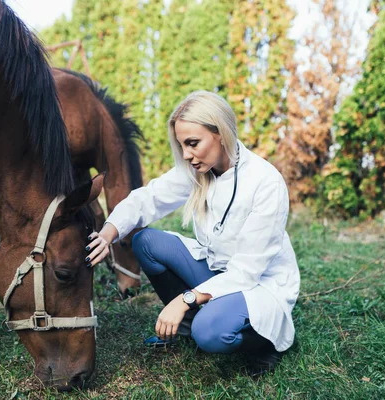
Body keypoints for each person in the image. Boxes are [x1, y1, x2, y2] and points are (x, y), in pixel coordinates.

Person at [85, 90, 300, 375]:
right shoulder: (198, 169)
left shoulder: (266, 182)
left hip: (257, 285)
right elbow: (147, 198)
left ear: (220, 133)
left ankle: (264, 344)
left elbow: (246, 273)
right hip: (216, 272)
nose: (186, 155)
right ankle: (185, 329)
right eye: (182, 145)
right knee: (145, 242)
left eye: (193, 143)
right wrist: (108, 232)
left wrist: (183, 300)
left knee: (210, 332)